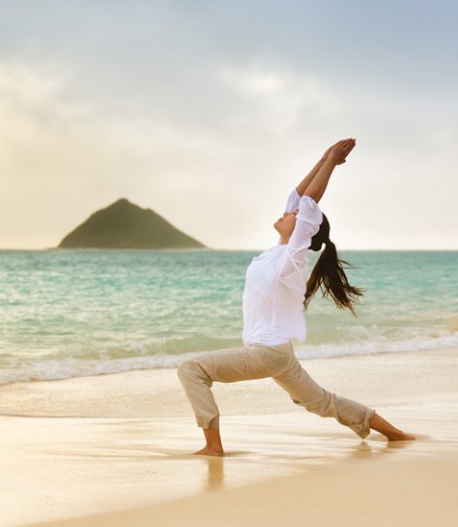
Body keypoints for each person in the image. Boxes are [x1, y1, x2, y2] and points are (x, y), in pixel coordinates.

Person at [177, 138, 415, 456]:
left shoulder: (293, 258)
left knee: (192, 368)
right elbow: (298, 198)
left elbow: (306, 205)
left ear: (305, 229)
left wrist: (331, 161)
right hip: (277, 353)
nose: (287, 212)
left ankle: (212, 445)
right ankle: (394, 433)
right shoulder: (274, 254)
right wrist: (322, 158)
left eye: (295, 215)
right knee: (319, 403)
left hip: (267, 352)